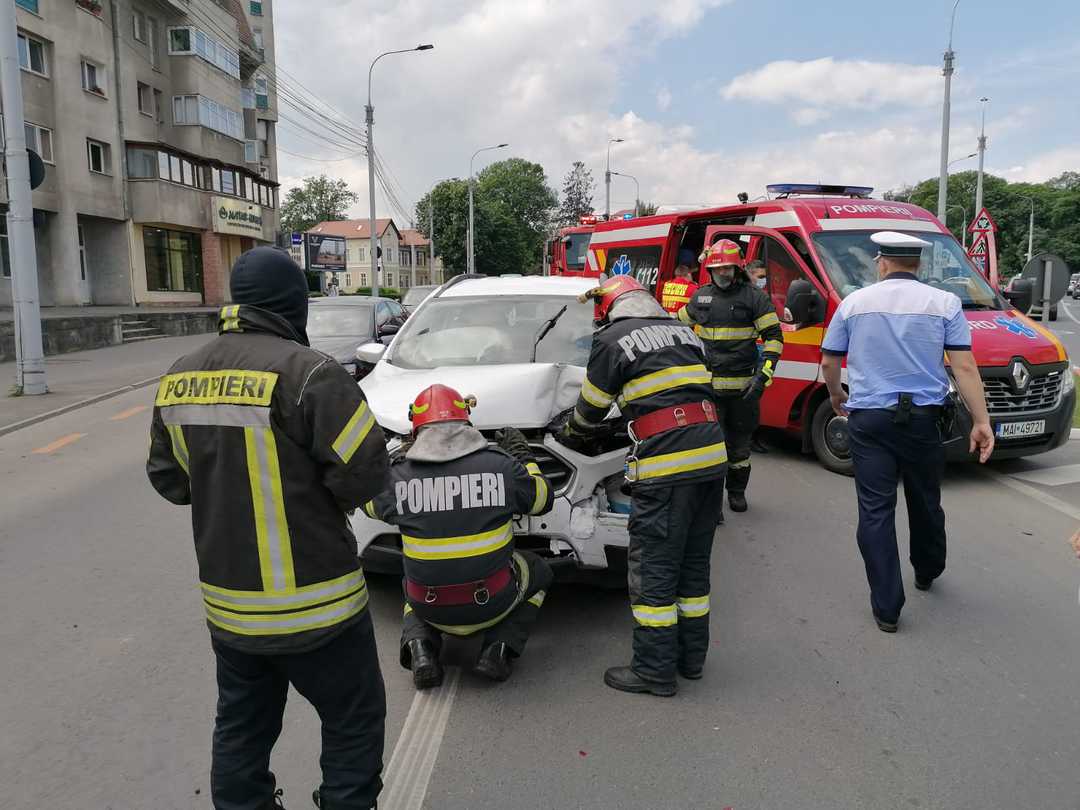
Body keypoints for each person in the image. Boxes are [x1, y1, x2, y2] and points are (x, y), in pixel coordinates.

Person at [147, 247, 391, 810]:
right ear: (293, 305)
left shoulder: (179, 378)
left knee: (241, 728)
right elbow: (365, 475)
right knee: (353, 723)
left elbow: (170, 481)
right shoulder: (312, 375)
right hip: (321, 605)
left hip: (232, 610)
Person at [559, 275, 727, 697]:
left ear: (609, 307)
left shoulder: (613, 338)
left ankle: (654, 670)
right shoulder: (683, 332)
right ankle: (691, 660)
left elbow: (591, 409)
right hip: (711, 460)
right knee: (692, 565)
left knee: (654, 568)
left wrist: (570, 436)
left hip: (668, 465)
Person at [819, 231, 994, 633]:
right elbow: (964, 368)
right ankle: (928, 570)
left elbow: (830, 362)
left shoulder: (854, 303)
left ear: (881, 262)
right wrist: (981, 421)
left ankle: (887, 608)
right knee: (925, 497)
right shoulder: (945, 303)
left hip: (870, 420)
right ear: (918, 264)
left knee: (876, 510)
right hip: (923, 420)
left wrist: (836, 396)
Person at [362, 384, 555, 688]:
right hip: (492, 601)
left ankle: (421, 649)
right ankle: (499, 649)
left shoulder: (398, 476)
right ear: (466, 421)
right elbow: (543, 500)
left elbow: (370, 506)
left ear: (416, 430)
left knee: (411, 577)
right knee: (539, 570)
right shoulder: (500, 466)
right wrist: (523, 457)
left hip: (429, 605)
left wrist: (396, 461)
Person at [678, 240, 783, 514]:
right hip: (708, 392)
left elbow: (774, 339)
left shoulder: (755, 298)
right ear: (710, 269)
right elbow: (677, 327)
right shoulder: (700, 297)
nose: (723, 273)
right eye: (718, 268)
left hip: (743, 392)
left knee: (739, 451)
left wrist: (763, 378)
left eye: (728, 268)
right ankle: (712, 505)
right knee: (710, 450)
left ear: (738, 268)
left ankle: (736, 493)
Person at [744, 260, 770, 454]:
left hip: (760, 350)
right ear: (750, 275)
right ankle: (748, 438)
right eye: (760, 277)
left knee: (756, 395)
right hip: (748, 352)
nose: (764, 280)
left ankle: (753, 437)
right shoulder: (744, 297)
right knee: (747, 397)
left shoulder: (761, 296)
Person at [660, 248, 701, 314]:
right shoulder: (693, 288)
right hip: (683, 322)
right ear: (688, 274)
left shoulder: (667, 285)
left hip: (668, 320)